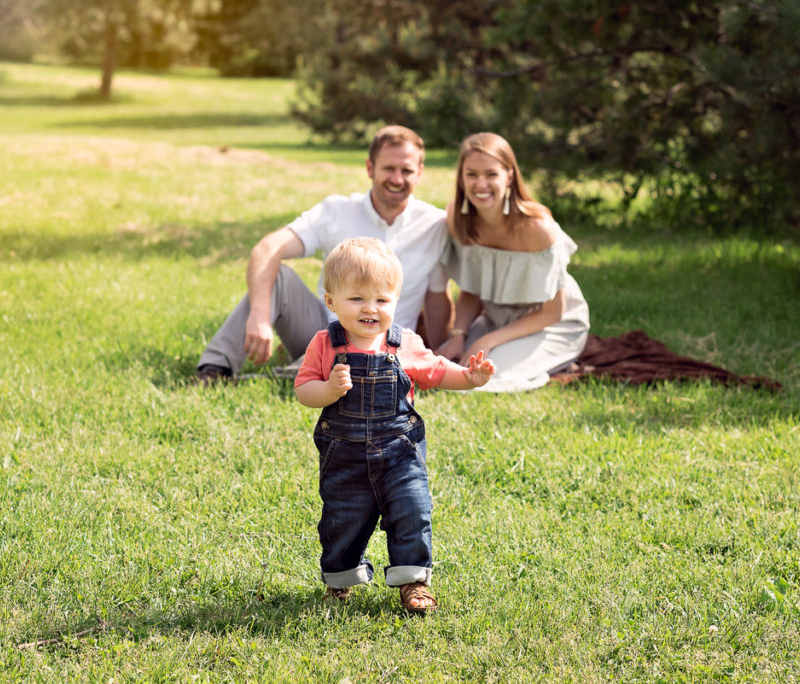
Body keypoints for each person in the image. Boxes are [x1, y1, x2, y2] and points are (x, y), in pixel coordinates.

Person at [295, 238, 496, 613]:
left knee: (413, 510)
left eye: (382, 300)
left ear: (396, 303)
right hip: (346, 457)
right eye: (357, 299)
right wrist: (327, 389)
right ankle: (340, 581)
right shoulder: (325, 344)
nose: (370, 308)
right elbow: (304, 389)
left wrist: (469, 377)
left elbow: (437, 371)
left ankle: (413, 582)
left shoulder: (403, 343)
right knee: (342, 518)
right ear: (331, 301)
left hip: (400, 452)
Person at [195, 125, 452, 383]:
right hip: (322, 334)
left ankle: (294, 375)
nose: (397, 178)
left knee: (358, 366)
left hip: (385, 348)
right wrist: (260, 315)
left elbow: (439, 295)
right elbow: (267, 248)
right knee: (280, 276)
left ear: (419, 173)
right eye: (388, 169)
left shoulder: (435, 225)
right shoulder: (335, 211)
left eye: (406, 170)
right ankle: (214, 370)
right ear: (370, 168)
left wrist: (440, 353)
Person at [433, 132, 590, 392]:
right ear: (461, 177)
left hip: (551, 325)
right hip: (495, 320)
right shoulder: (458, 219)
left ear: (509, 175)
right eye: (471, 174)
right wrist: (458, 336)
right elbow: (472, 289)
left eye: (491, 174)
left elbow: (553, 312)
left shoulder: (537, 228)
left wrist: (487, 341)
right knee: (450, 369)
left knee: (486, 380)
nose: (480, 184)